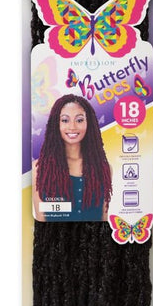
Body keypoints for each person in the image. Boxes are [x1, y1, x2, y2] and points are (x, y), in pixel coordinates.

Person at [32, 94, 112, 222]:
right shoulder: (39, 169)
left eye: (79, 120)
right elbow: (41, 221)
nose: (72, 127)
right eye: (65, 120)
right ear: (55, 124)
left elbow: (103, 220)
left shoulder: (103, 168)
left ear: (89, 123)